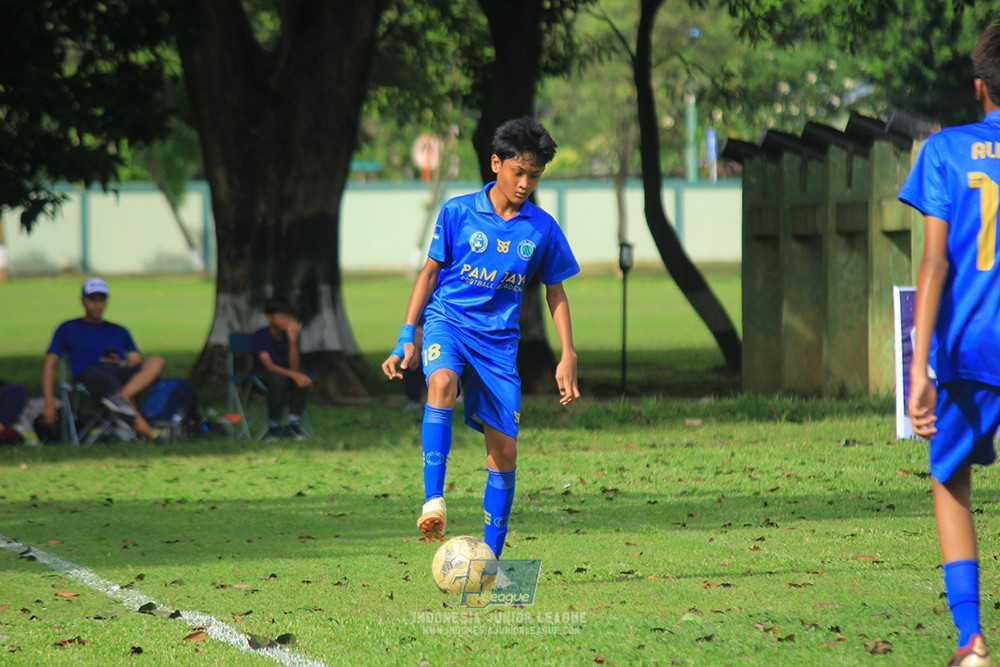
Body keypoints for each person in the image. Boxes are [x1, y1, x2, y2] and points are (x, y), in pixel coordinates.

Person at [381, 118, 580, 559]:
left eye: (535, 175)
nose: (525, 183)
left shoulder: (541, 229)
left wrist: (567, 354)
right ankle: (433, 499)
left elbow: (557, 290)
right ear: (496, 164)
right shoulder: (457, 212)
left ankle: (490, 560)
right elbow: (429, 273)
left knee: (504, 452)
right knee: (442, 384)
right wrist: (405, 336)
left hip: (498, 344)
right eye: (518, 172)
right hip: (447, 323)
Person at [899, 22, 1000, 667]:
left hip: (971, 348)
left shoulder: (945, 151)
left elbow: (934, 264)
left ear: (978, 87)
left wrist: (919, 364)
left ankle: (971, 641)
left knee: (949, 477)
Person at [41, 277, 166, 440]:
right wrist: (49, 403)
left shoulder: (119, 330)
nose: (97, 304)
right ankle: (151, 434)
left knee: (157, 361)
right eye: (93, 299)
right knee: (104, 379)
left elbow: (135, 360)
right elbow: (50, 365)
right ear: (83, 300)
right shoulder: (67, 328)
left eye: (102, 299)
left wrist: (121, 363)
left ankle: (121, 398)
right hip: (90, 375)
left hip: (119, 372)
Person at [251, 298, 312, 440]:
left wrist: (293, 341)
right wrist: (293, 375)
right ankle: (274, 425)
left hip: (287, 376)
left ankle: (293, 423)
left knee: (302, 378)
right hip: (263, 377)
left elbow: (294, 367)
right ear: (269, 317)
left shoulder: (292, 335)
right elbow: (269, 366)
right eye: (281, 316)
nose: (286, 320)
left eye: (288, 316)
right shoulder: (260, 336)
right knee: (279, 379)